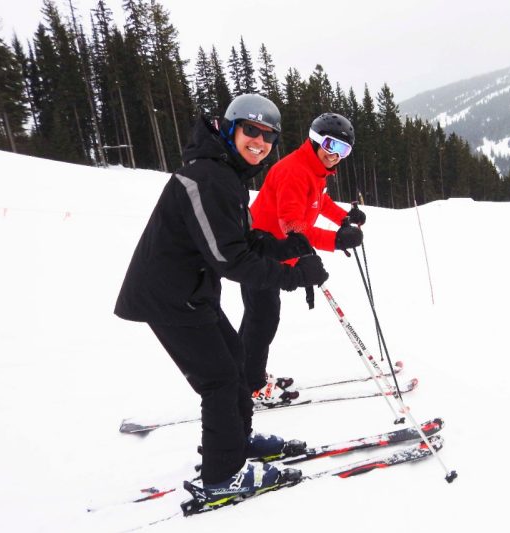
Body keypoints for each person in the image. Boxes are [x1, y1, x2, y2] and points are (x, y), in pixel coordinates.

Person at [113, 94, 328, 503]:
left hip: (192, 292)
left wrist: (286, 247)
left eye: (268, 136)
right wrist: (294, 275)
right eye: (251, 130)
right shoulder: (207, 177)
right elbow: (231, 260)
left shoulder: (225, 173)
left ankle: (236, 443)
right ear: (230, 129)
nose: (259, 142)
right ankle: (221, 476)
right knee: (220, 380)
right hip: (169, 296)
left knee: (236, 362)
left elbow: (240, 240)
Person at [240, 112, 366, 405]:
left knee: (257, 317)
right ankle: (252, 384)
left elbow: (319, 202)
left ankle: (245, 374)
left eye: (344, 150)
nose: (335, 155)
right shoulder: (294, 171)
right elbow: (292, 226)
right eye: (331, 145)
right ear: (316, 140)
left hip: (272, 252)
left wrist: (344, 218)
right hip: (263, 251)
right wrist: (336, 240)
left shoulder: (314, 169)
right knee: (263, 319)